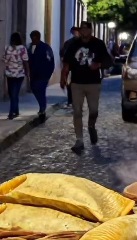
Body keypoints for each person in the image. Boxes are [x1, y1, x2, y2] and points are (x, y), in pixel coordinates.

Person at [60, 21, 111, 153]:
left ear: (90, 30)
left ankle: (91, 126)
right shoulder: (72, 44)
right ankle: (79, 140)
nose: (83, 31)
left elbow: (108, 60)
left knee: (93, 110)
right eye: (81, 29)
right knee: (77, 111)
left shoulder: (98, 44)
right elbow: (66, 62)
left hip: (93, 82)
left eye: (86, 29)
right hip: (76, 82)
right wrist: (63, 78)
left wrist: (98, 65)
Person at [28, 30, 56, 123]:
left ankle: (42, 109)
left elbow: (51, 61)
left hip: (43, 75)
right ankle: (42, 107)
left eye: (34, 38)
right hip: (33, 75)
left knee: (41, 91)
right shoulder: (30, 47)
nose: (33, 40)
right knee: (34, 89)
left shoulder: (45, 47)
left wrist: (48, 75)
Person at [2, 32, 30, 119]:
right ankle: (15, 110)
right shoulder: (22, 48)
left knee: (12, 93)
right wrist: (27, 72)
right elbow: (25, 61)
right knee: (15, 92)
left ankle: (12, 112)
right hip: (19, 74)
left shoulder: (7, 48)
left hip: (10, 74)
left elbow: (4, 60)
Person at [60, 25, 80, 108]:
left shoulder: (69, 43)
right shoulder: (69, 43)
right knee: (71, 84)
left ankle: (72, 101)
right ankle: (72, 101)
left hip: (76, 68)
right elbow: (63, 55)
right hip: (72, 68)